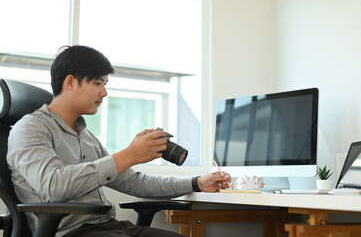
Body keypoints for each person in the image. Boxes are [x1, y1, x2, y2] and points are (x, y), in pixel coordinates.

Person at [6, 45, 231, 237]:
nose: (104, 93)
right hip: (75, 233)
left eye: (105, 84)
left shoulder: (86, 136)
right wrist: (129, 155)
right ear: (71, 82)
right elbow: (52, 187)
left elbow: (135, 182)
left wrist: (197, 182)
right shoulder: (30, 128)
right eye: (97, 83)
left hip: (111, 227)